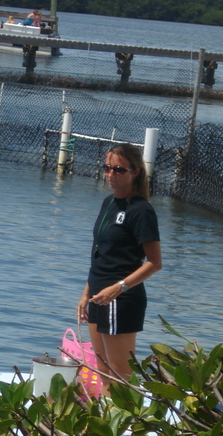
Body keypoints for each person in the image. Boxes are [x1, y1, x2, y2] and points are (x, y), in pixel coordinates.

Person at [76, 143, 162, 393]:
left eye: (119, 170)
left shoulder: (141, 211)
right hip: (98, 295)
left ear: (134, 172)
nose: (111, 175)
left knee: (120, 372)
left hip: (121, 298)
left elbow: (155, 263)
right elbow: (101, 255)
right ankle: (105, 424)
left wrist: (118, 288)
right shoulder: (108, 203)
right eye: (107, 168)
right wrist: (85, 294)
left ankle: (129, 426)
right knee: (101, 367)